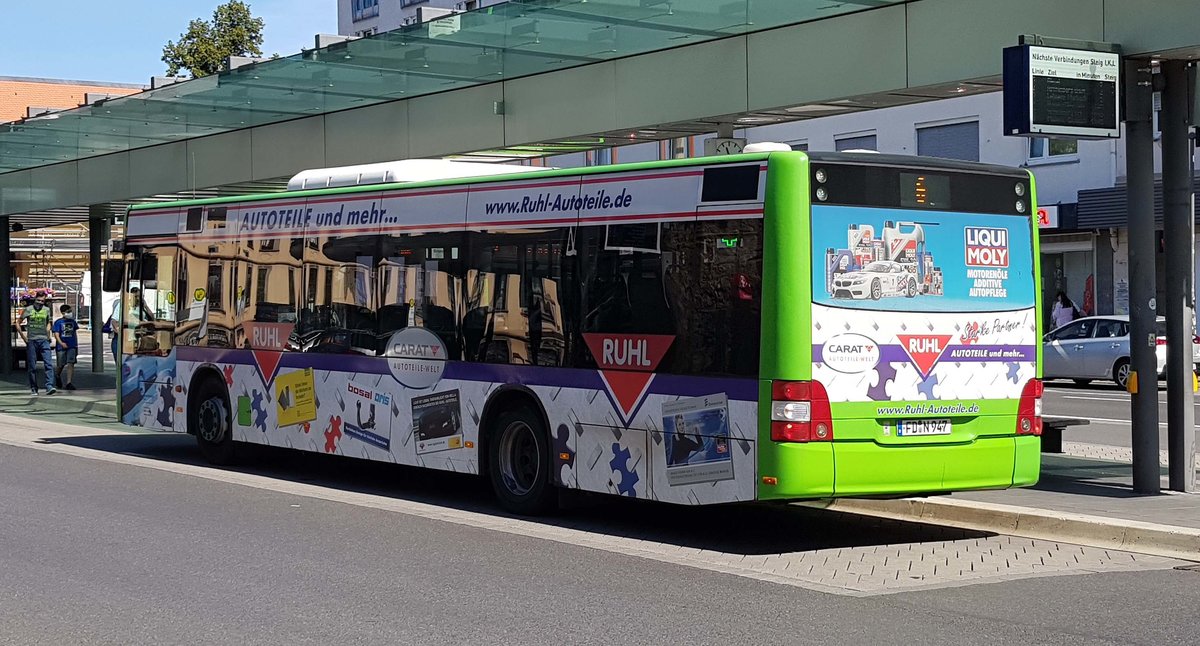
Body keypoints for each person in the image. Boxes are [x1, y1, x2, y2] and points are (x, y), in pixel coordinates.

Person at [18, 295, 56, 395]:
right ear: (34, 300)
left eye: (42, 301)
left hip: (44, 340)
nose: (40, 302)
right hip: (32, 340)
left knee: (48, 363)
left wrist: (48, 334)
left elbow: (48, 322)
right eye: (38, 300)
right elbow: (18, 322)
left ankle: (49, 386)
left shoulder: (46, 310)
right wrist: (23, 337)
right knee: (32, 366)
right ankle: (34, 387)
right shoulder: (28, 309)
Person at [52, 303, 79, 390]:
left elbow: (75, 333)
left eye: (70, 311)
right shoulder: (58, 322)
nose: (70, 313)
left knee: (71, 363)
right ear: (63, 313)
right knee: (61, 364)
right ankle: (57, 375)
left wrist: (75, 344)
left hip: (71, 345)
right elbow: (56, 334)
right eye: (68, 312)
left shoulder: (73, 322)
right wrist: (61, 343)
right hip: (61, 346)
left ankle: (69, 382)